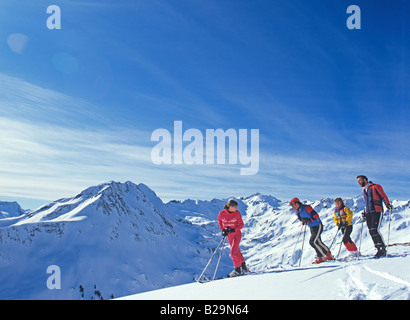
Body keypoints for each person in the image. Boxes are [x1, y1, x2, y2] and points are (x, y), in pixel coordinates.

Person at [357, 175, 392, 258]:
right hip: (369, 212)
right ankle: (378, 249)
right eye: (358, 181)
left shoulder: (376, 186)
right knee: (371, 231)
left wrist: (387, 204)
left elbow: (383, 196)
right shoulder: (364, 190)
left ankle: (382, 249)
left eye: (360, 180)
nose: (359, 182)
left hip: (377, 210)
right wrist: (365, 212)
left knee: (375, 230)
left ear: (365, 180)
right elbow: (367, 203)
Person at [289, 197, 334, 264]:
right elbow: (300, 219)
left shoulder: (306, 207)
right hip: (312, 227)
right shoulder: (297, 212)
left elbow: (316, 215)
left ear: (297, 203)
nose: (292, 207)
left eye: (293, 204)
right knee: (315, 242)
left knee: (314, 242)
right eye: (291, 205)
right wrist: (304, 220)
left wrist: (308, 220)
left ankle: (322, 257)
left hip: (317, 225)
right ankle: (327, 255)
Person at [218, 199, 248, 277]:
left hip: (236, 234)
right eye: (235, 207)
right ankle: (244, 267)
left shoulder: (237, 213)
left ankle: (237, 269)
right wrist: (223, 230)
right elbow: (220, 222)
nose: (236, 209)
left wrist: (233, 229)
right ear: (230, 207)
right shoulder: (221, 213)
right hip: (229, 236)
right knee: (236, 251)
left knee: (233, 252)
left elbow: (241, 225)